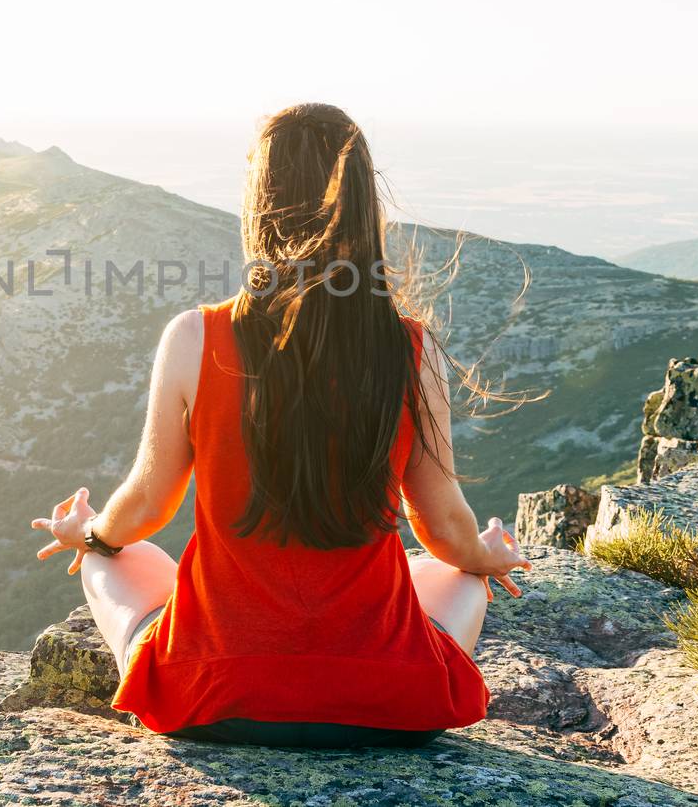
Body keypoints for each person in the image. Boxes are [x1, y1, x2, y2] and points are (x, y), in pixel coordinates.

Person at [31, 103, 529, 748]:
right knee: (453, 577)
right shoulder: (408, 348)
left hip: (214, 699)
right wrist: (487, 556)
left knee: (122, 558)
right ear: (360, 203)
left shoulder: (196, 336)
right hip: (387, 707)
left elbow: (148, 505)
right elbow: (445, 533)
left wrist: (88, 534)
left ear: (259, 203)